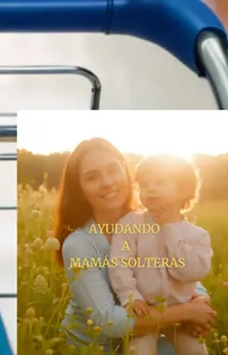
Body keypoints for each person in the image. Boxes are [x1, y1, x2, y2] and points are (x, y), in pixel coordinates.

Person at [55, 139, 216, 352]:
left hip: (150, 331)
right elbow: (106, 321)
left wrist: (200, 300)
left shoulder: (154, 220)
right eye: (92, 177)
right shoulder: (78, 245)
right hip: (96, 347)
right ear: (81, 192)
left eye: (113, 170)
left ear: (126, 173)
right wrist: (187, 312)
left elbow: (177, 270)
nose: (107, 182)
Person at [109, 154, 212, 355]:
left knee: (196, 350)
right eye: (145, 184)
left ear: (183, 189)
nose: (151, 189)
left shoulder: (197, 236)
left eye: (160, 182)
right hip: (145, 311)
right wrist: (131, 297)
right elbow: (119, 264)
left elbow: (190, 273)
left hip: (182, 315)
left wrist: (171, 228)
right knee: (139, 351)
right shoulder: (130, 225)